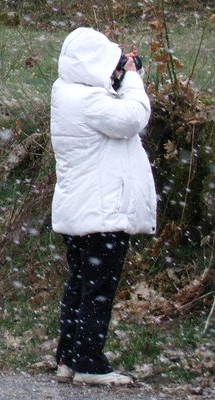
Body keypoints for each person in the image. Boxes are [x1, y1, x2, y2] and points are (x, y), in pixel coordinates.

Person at [49, 27, 156, 387]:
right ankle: (90, 363)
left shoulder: (67, 93)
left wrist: (119, 75)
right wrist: (132, 79)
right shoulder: (90, 102)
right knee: (97, 289)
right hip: (102, 213)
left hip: (82, 212)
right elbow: (133, 118)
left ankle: (68, 356)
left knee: (79, 285)